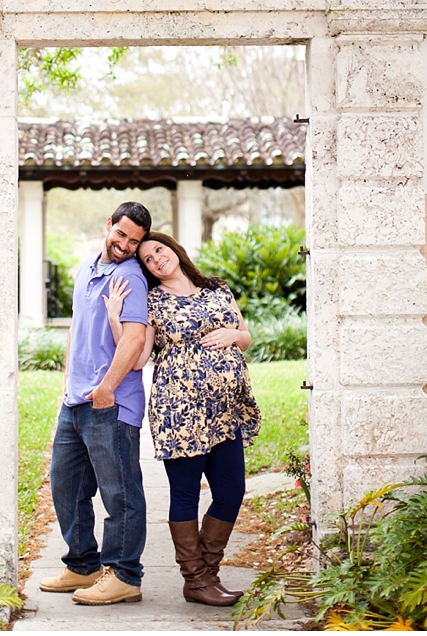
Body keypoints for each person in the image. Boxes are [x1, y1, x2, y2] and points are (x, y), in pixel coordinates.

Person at [105, 230, 261, 607]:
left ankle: (206, 576)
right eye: (147, 259)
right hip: (180, 411)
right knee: (186, 494)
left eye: (159, 250)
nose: (157, 259)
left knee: (231, 491)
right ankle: (196, 579)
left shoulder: (216, 288)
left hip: (226, 410)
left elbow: (245, 336)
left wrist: (233, 335)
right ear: (148, 270)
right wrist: (115, 317)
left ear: (174, 249)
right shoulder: (153, 301)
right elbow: (139, 358)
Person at [39, 201, 152, 606]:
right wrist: (68, 381)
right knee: (66, 485)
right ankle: (83, 564)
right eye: (121, 234)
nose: (125, 245)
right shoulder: (87, 268)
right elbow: (76, 327)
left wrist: (106, 388)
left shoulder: (130, 278)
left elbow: (135, 340)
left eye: (134, 241)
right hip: (75, 400)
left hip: (111, 403)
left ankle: (124, 574)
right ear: (108, 225)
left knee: (119, 492)